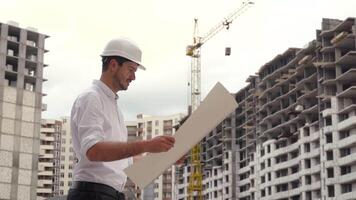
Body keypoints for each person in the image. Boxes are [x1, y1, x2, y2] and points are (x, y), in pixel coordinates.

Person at [67, 38, 176, 200]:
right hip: (92, 194)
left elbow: (123, 160)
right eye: (131, 70)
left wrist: (168, 156)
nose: (133, 77)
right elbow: (94, 151)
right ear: (113, 65)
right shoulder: (91, 98)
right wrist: (146, 144)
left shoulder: (114, 106)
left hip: (107, 194)